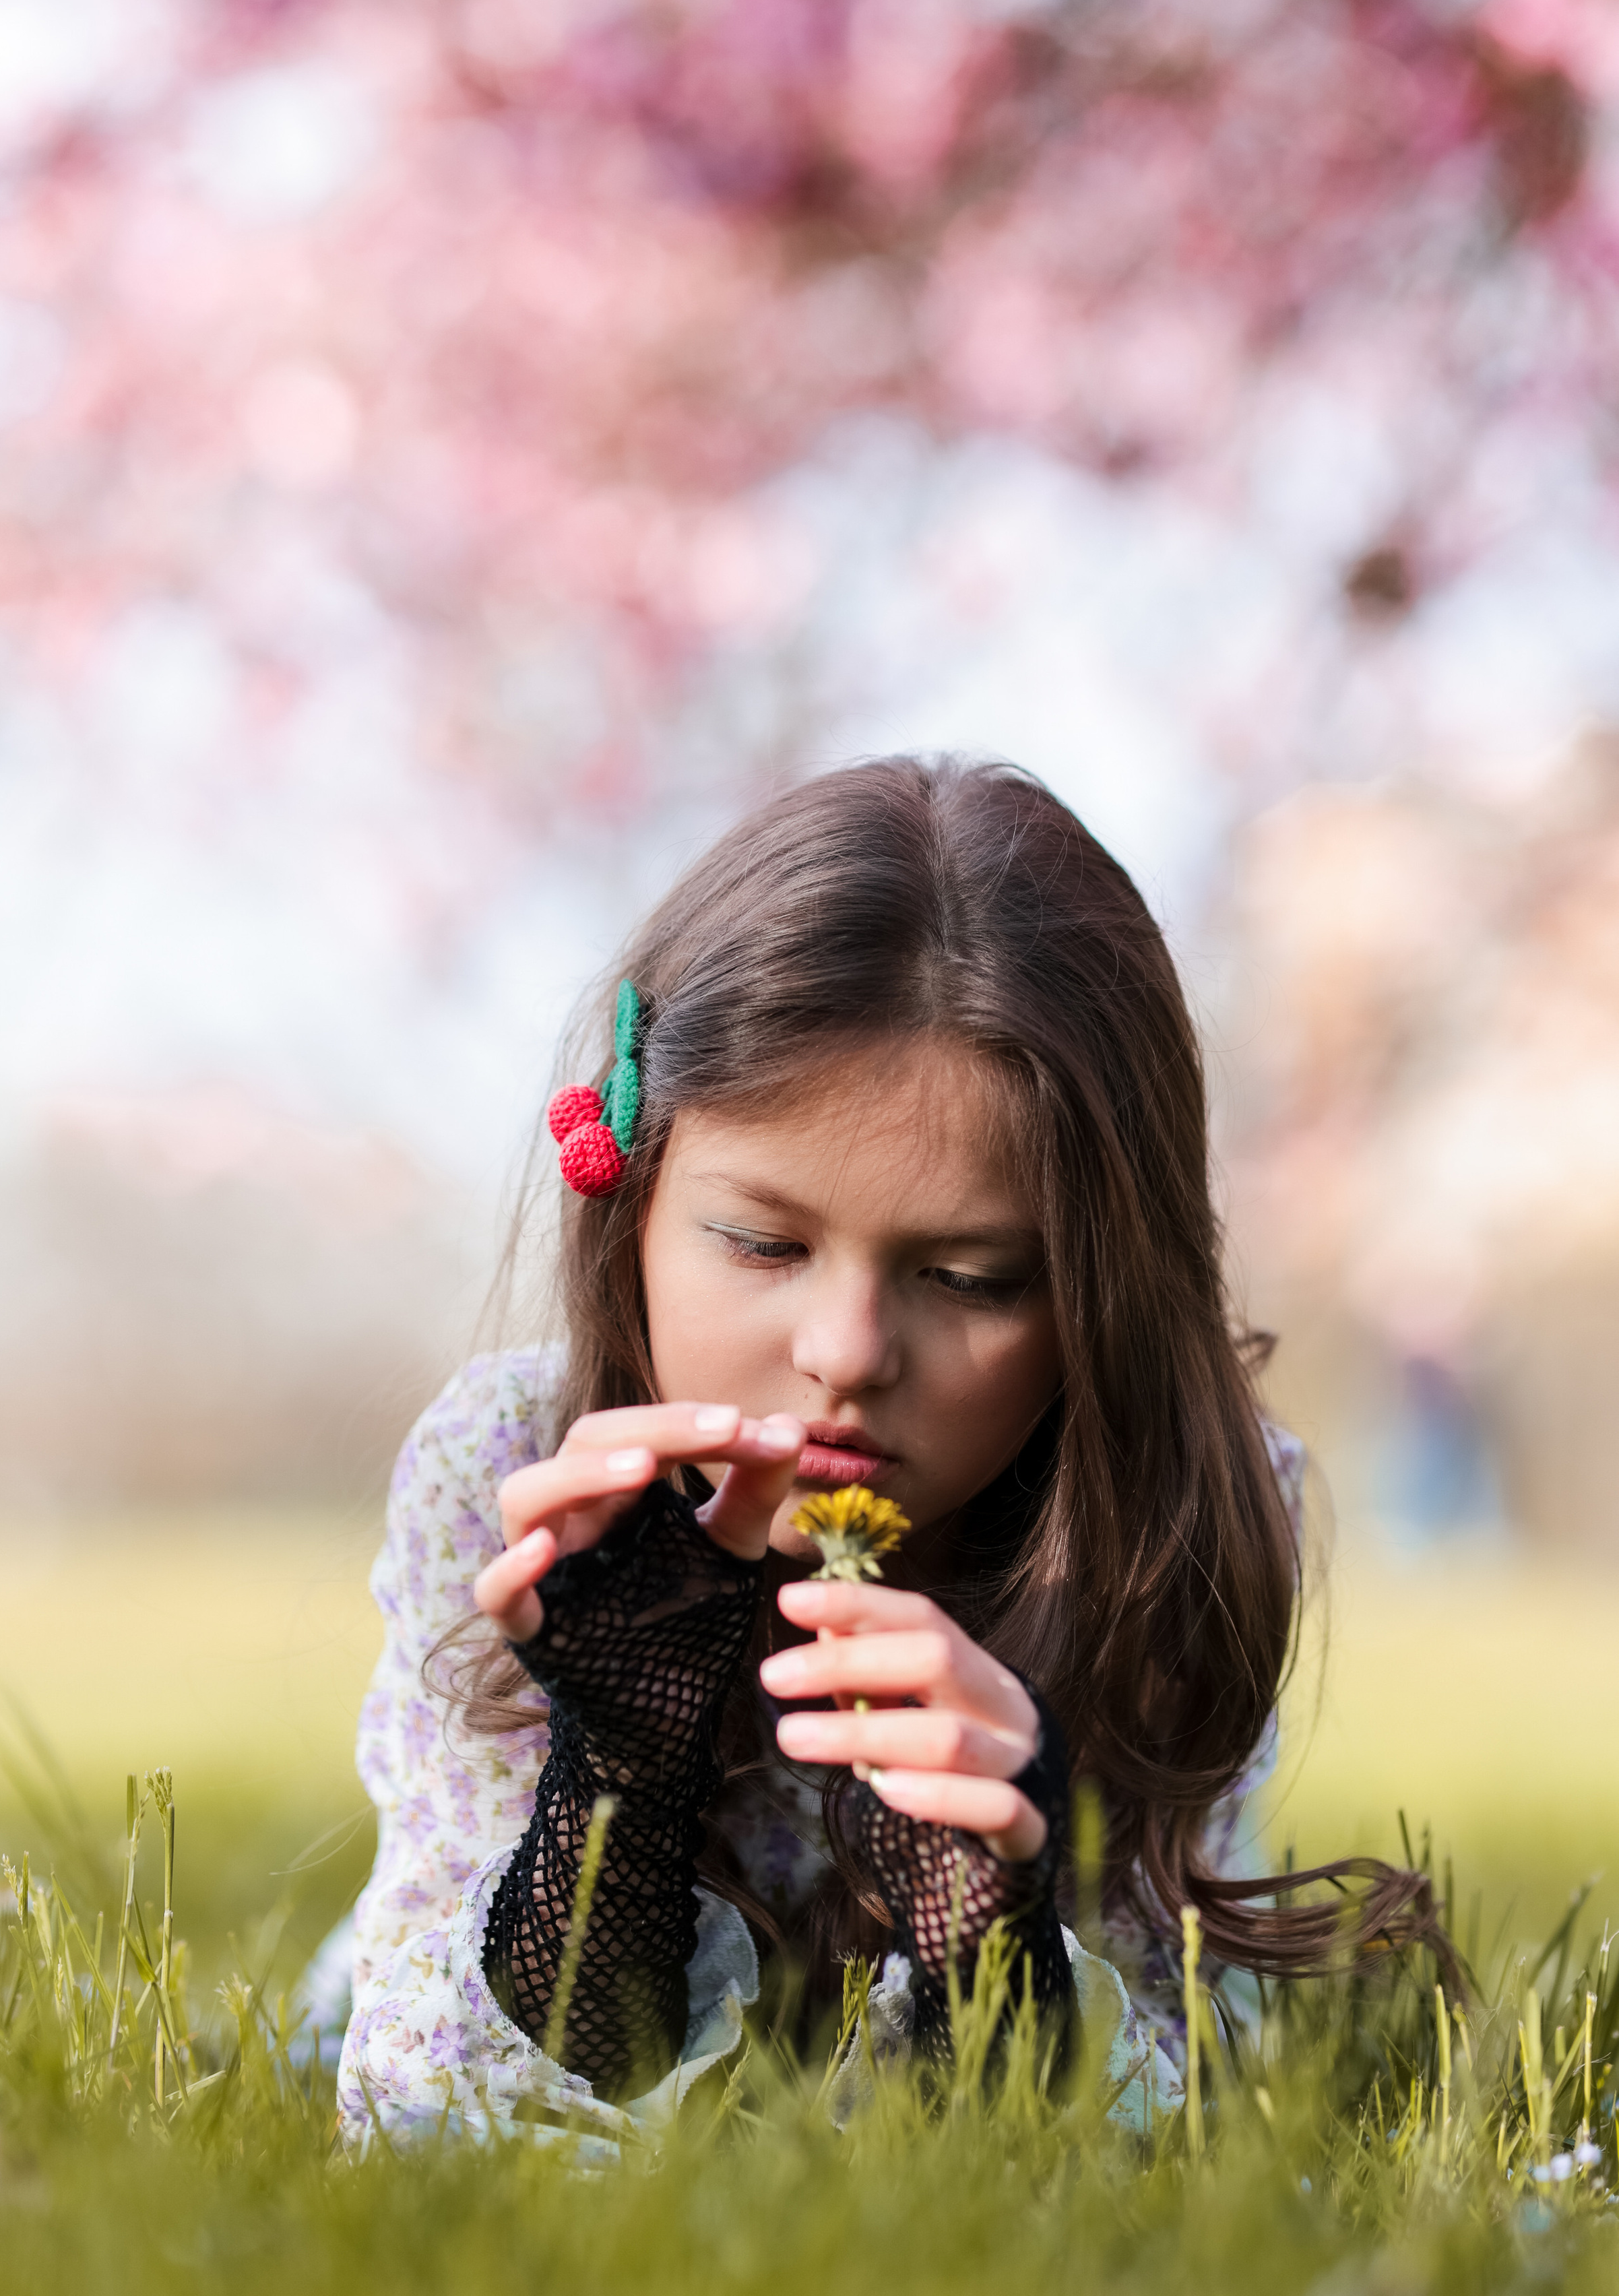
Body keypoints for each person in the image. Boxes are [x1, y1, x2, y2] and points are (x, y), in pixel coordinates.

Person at [330, 757, 1445, 2152]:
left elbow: (1167, 2131)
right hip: (484, 1933)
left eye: (973, 1277)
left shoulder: (1172, 1514)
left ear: (1098, 1298)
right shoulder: (507, 1474)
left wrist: (999, 1920)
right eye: (762, 1244)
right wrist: (610, 1778)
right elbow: (433, 2119)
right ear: (632, 1201)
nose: (846, 1350)